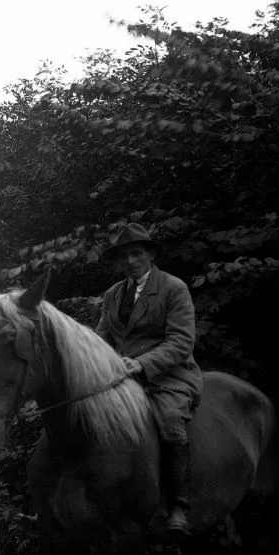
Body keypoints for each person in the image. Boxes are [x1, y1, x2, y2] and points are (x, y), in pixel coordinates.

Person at [94, 223, 203, 534]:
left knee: (169, 421)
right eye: (124, 256)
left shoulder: (173, 288)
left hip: (168, 377)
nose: (130, 261)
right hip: (122, 376)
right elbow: (102, 339)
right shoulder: (114, 294)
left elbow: (181, 342)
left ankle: (178, 505)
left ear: (151, 254)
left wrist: (141, 364)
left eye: (136, 254)